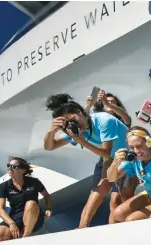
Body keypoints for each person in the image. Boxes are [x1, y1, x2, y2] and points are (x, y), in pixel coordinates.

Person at [43, 93, 128, 228]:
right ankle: (82, 227)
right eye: (68, 123)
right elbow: (49, 146)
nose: (73, 125)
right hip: (111, 158)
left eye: (73, 120)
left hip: (129, 154)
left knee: (119, 198)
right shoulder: (75, 130)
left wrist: (80, 140)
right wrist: (51, 131)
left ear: (79, 112)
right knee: (100, 189)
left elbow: (106, 151)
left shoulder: (104, 120)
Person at [85, 90, 133, 220]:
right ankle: (83, 226)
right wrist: (88, 105)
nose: (109, 103)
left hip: (123, 160)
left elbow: (126, 117)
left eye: (113, 102)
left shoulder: (121, 121)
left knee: (115, 199)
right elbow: (83, 123)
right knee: (95, 193)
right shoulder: (98, 120)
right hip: (105, 160)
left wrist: (108, 103)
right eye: (106, 102)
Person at [106, 127, 151, 222]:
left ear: (149, 142)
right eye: (132, 147)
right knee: (116, 214)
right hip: (149, 195)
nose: (136, 151)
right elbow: (111, 178)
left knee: (131, 220)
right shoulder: (133, 159)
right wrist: (115, 163)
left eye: (139, 146)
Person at [0, 157, 52, 242]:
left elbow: (46, 195)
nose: (10, 168)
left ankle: (24, 238)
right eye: (9, 165)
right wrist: (11, 223)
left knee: (31, 203)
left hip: (34, 217)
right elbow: (0, 209)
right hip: (15, 218)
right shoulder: (3, 186)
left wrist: (48, 208)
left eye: (14, 166)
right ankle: (18, 234)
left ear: (23, 170)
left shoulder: (34, 182)